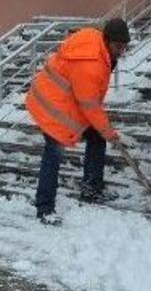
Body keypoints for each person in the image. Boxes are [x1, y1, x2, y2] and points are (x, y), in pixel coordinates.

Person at [25, 17, 130, 224]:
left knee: (96, 138)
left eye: (124, 46)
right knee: (54, 153)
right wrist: (109, 132)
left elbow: (89, 99)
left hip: (63, 98)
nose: (121, 51)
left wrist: (103, 131)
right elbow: (90, 105)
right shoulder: (90, 64)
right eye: (118, 46)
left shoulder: (97, 44)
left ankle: (91, 189)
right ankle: (44, 208)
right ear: (107, 40)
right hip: (52, 107)